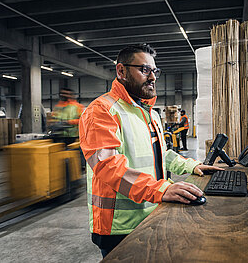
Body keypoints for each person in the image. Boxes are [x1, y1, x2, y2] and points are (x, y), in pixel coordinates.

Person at [79, 44, 221, 258]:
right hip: (119, 225)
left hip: (151, 212)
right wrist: (161, 190)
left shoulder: (149, 113)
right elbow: (108, 167)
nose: (153, 77)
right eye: (144, 70)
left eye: (155, 71)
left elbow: (161, 154)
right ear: (121, 71)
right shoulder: (102, 111)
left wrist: (192, 165)